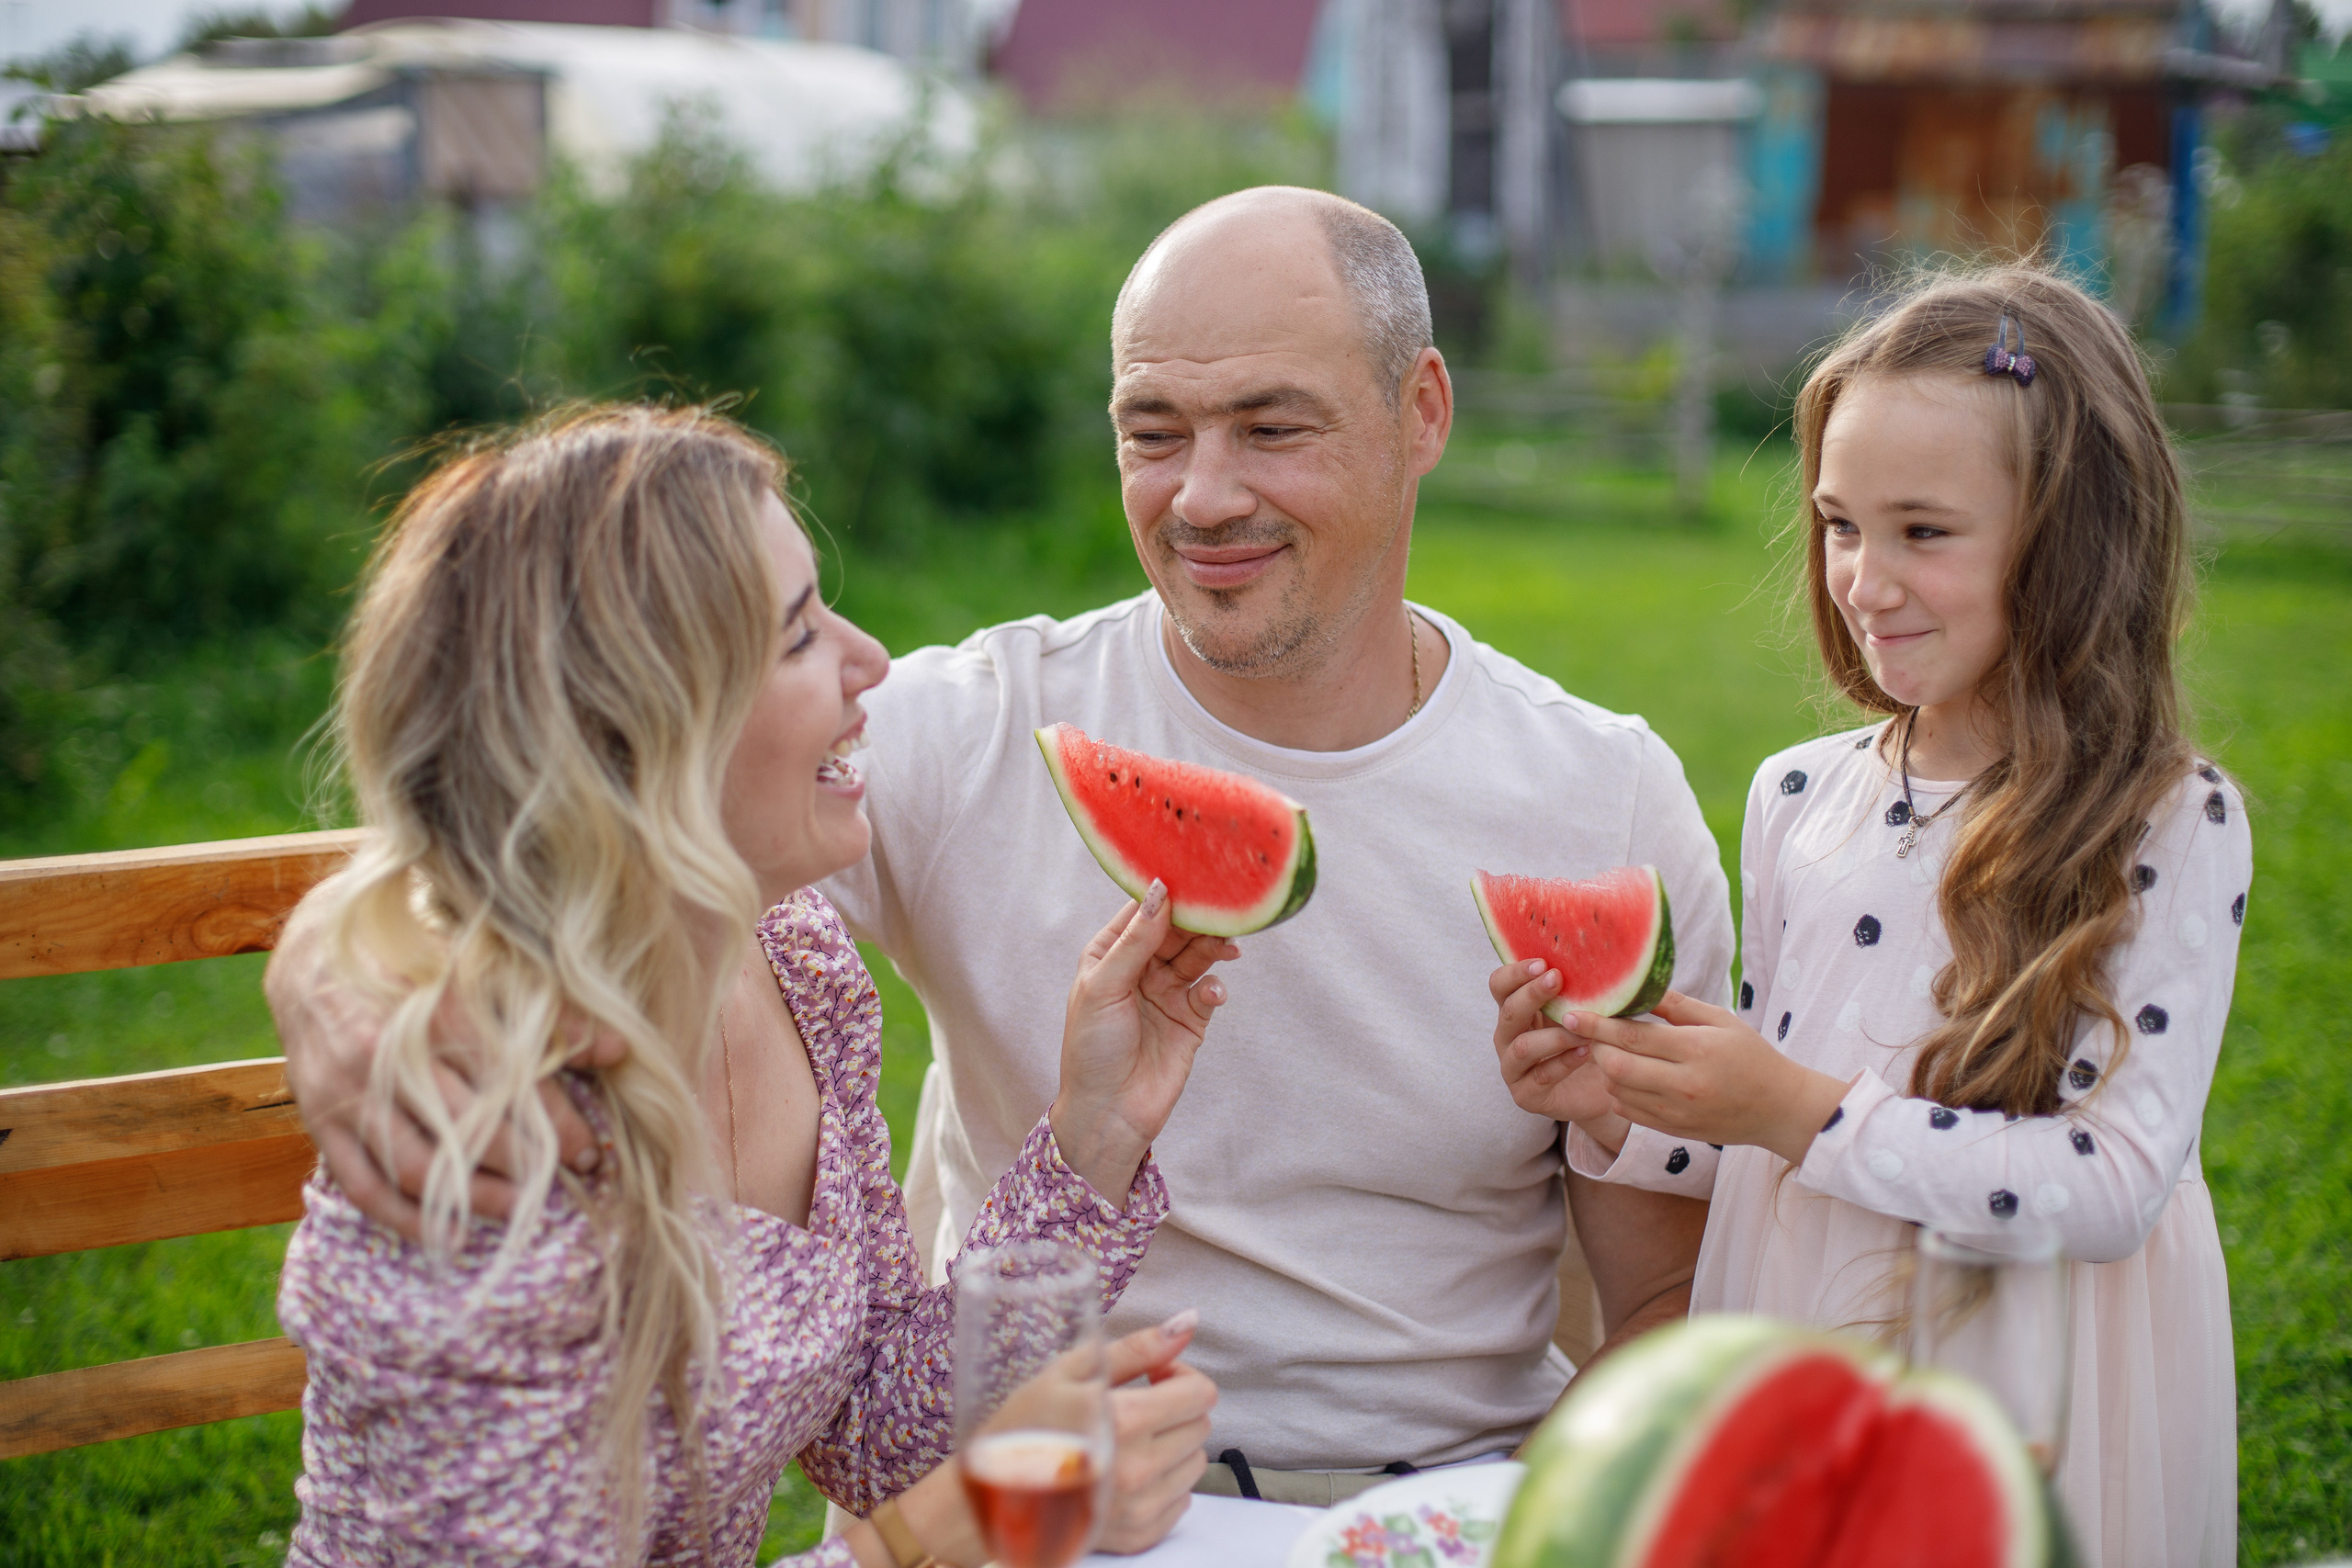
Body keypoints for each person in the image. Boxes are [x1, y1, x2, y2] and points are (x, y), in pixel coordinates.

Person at [270, 186, 1734, 1503]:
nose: (1202, 495)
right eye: (1152, 432)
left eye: (1271, 427)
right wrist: (331, 974)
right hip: (1030, 1497)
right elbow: (560, 803)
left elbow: (1657, 1294)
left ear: (1422, 409)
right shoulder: (958, 729)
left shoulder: (1605, 803)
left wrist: (1550, 1523)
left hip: (1443, 1500)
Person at [275, 406, 1232, 1566]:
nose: (870, 657)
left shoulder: (797, 963)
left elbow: (875, 1430)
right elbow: (914, 1509)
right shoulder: (476, 1140)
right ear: (631, 738)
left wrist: (1089, 1137)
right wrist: (959, 1528)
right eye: (794, 638)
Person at [1489, 266, 2243, 1566]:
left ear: (2072, 540)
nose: (1862, 578)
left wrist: (1791, 1106)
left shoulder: (2169, 818)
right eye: (1840, 523)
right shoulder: (1798, 793)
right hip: (1798, 1315)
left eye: (1923, 531)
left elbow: (2115, 1183)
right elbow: (1763, 1135)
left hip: (2029, 1369)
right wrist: (1611, 1096)